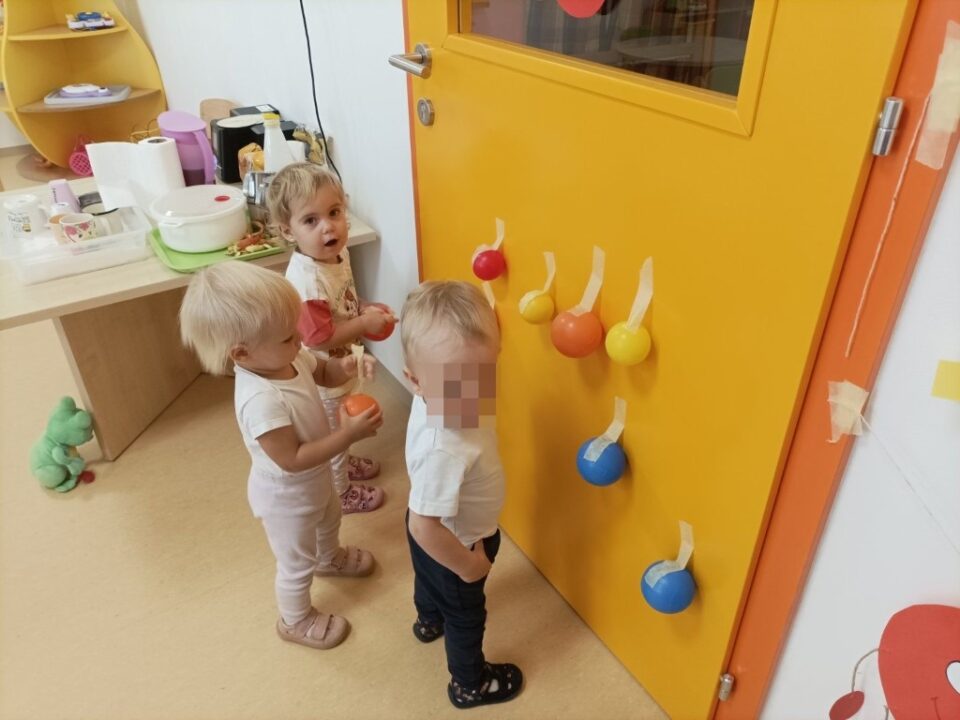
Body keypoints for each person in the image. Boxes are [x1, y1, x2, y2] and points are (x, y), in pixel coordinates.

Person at [179, 261, 382, 649]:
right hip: (287, 498)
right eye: (289, 336)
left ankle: (329, 558)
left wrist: (348, 364)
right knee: (295, 564)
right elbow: (293, 459)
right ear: (242, 353)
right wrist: (346, 435)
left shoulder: (288, 356)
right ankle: (295, 619)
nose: (300, 339)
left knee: (330, 518)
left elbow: (324, 372)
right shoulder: (259, 401)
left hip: (315, 480)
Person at [400, 280, 523, 708]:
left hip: (432, 528)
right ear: (415, 380)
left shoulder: (432, 395)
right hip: (455, 542)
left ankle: (427, 620)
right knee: (466, 615)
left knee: (426, 581)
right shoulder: (444, 448)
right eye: (456, 385)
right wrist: (469, 567)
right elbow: (424, 527)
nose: (472, 396)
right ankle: (469, 684)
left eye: (482, 376)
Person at [267, 162, 395, 514]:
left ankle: (345, 460)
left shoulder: (336, 255)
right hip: (323, 375)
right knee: (336, 435)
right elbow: (320, 338)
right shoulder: (308, 281)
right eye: (311, 220)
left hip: (342, 364)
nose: (328, 226)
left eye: (334, 212)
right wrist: (365, 323)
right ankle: (341, 493)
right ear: (288, 231)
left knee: (343, 423)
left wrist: (364, 307)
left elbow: (342, 299)